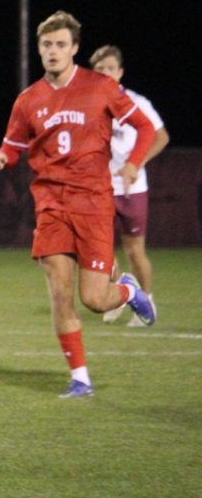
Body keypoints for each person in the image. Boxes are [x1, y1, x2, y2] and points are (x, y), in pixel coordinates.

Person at [0, 12, 158, 399]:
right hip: (50, 205)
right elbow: (13, 146)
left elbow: (145, 127)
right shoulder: (28, 100)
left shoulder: (100, 87)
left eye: (60, 44)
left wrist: (133, 163)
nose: (52, 51)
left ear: (75, 49)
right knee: (60, 293)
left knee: (95, 300)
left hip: (94, 203)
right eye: (46, 45)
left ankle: (129, 291)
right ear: (40, 48)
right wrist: (2, 158)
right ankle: (80, 378)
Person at [89, 45, 170, 326]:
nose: (105, 73)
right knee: (99, 249)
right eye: (99, 69)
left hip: (131, 188)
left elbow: (160, 137)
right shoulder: (88, 104)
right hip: (99, 188)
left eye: (110, 68)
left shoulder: (137, 103)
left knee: (135, 250)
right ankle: (116, 295)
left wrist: (137, 163)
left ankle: (145, 299)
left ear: (120, 72)